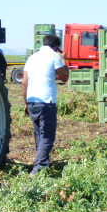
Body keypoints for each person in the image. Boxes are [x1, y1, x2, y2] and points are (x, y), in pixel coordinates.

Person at [22, 35, 69, 175]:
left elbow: (24, 82)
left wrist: (26, 102)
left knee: (38, 133)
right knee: (47, 135)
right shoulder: (55, 56)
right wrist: (63, 59)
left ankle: (43, 162)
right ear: (56, 46)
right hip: (46, 101)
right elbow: (65, 77)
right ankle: (39, 168)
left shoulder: (32, 58)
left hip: (32, 101)